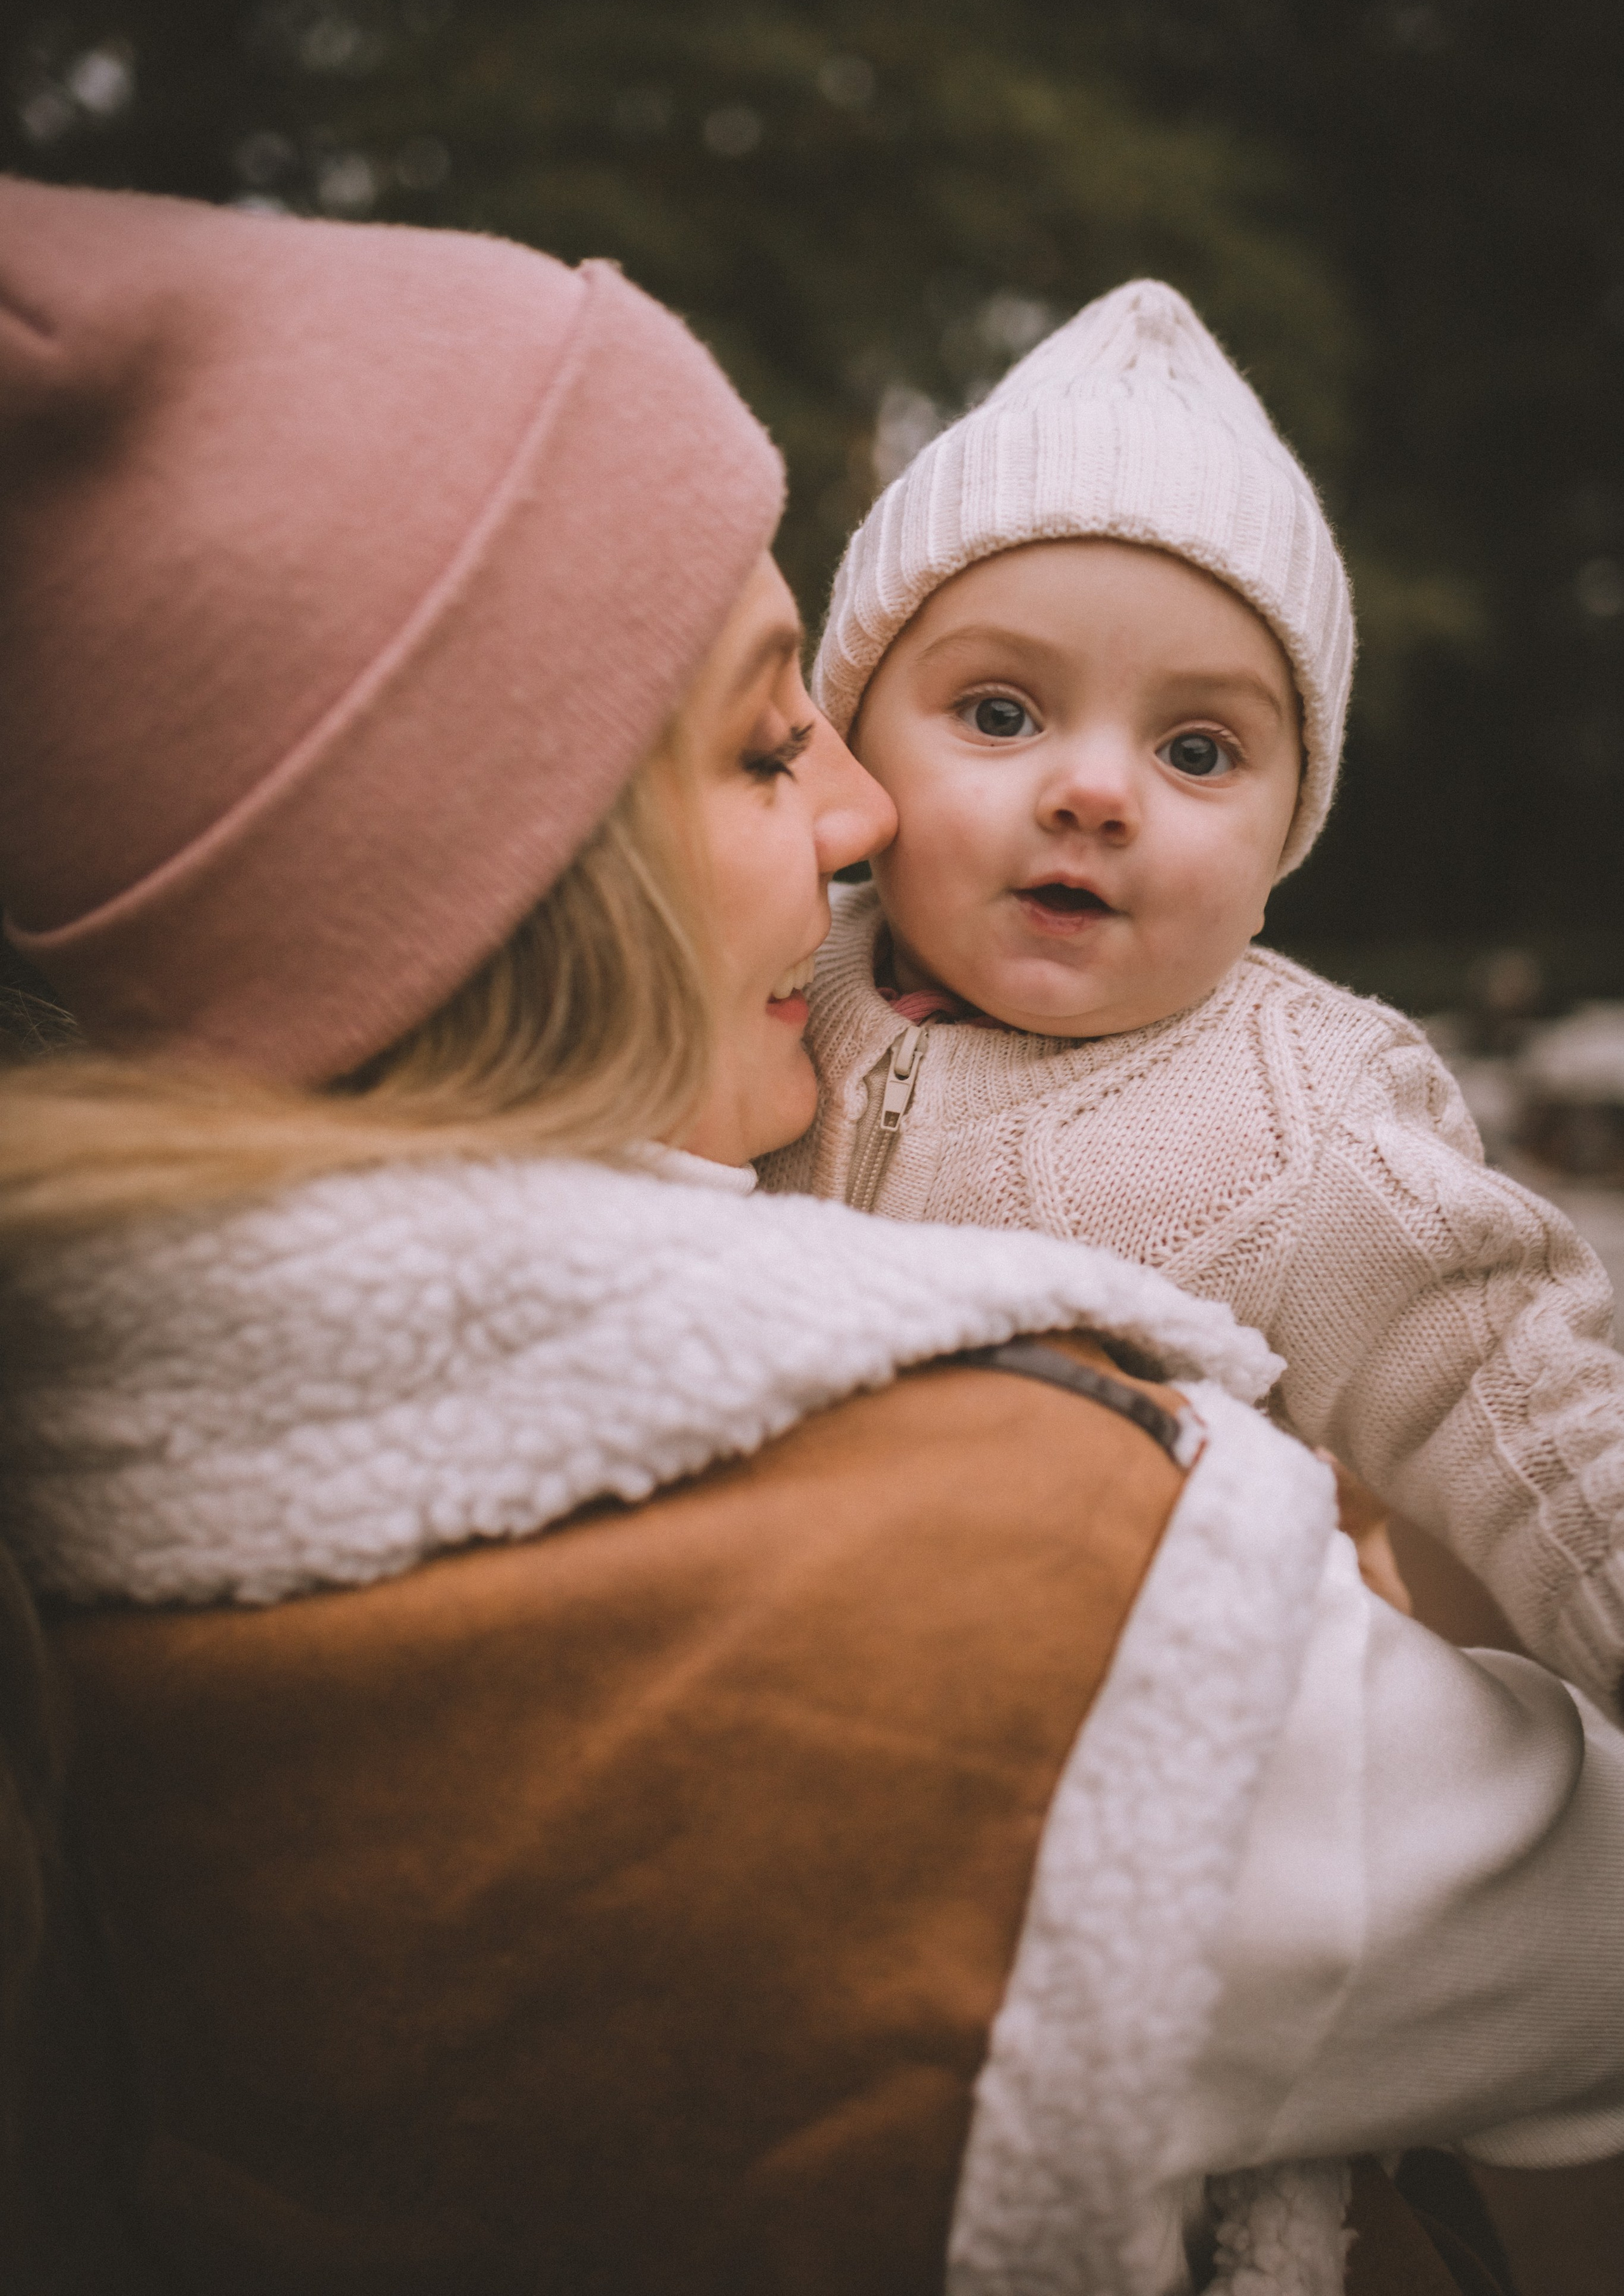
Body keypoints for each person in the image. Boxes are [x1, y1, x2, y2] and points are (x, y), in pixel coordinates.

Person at [0, 179, 1621, 2296]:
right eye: (786, 744)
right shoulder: (1102, 1611)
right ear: (509, 874)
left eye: (1202, 743)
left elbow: (1526, 1394)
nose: (862, 823)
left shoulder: (102, 1432)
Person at [759, 277, 1624, 1724]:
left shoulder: (1310, 1120)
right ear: (852, 745)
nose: (1094, 792)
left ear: (1288, 835)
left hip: (1148, 1774)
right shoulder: (764, 972)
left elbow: (1546, 1441)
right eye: (998, 713)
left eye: (1200, 750)